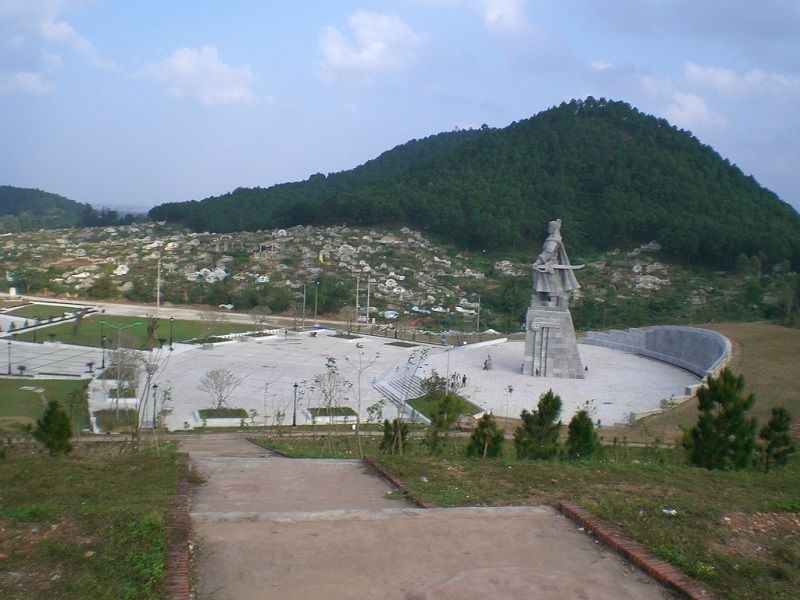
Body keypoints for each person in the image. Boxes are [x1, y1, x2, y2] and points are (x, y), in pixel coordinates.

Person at [532, 219, 581, 308]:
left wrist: (537, 262)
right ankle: (541, 298)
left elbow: (548, 252)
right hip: (546, 265)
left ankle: (553, 302)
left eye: (550, 227)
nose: (548, 229)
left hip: (552, 266)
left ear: (554, 228)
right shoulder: (551, 239)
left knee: (552, 282)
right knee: (541, 278)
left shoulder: (553, 240)